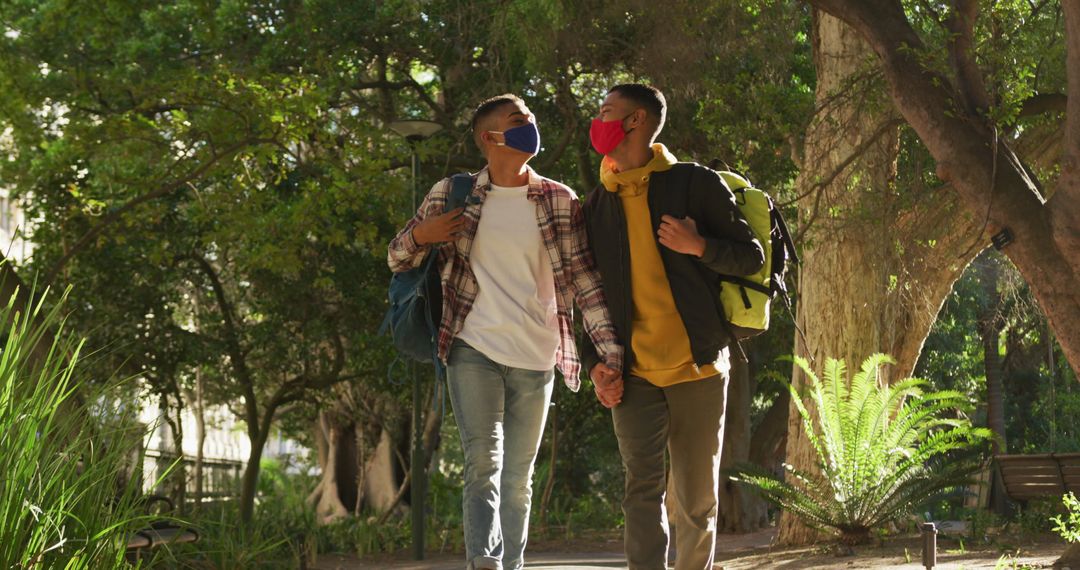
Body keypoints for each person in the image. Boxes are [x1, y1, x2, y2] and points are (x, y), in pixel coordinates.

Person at [387, 94, 624, 570]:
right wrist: (422, 236)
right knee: (483, 463)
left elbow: (584, 283)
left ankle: (511, 564)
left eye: (531, 120)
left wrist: (608, 353)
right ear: (487, 137)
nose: (530, 127)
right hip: (472, 346)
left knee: (518, 477)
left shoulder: (560, 199)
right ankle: (483, 561)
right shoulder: (453, 192)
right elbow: (396, 257)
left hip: (537, 356)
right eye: (518, 121)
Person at [580, 84, 765, 570]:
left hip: (698, 365)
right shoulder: (598, 203)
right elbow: (587, 291)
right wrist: (595, 362)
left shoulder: (692, 183)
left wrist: (699, 245)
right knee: (639, 491)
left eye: (606, 112)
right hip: (633, 373)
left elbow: (752, 258)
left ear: (637, 120)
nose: (598, 121)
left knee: (695, 498)